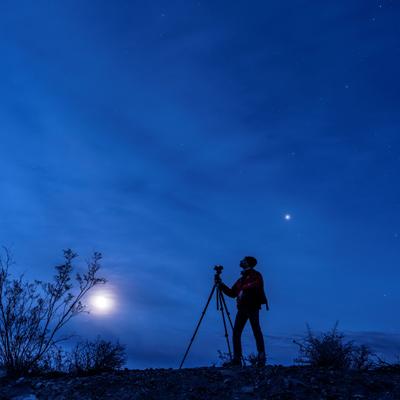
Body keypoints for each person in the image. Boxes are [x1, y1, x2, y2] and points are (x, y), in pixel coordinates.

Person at [216, 256, 269, 367]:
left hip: (252, 306)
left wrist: (243, 288)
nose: (241, 261)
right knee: (236, 332)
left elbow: (256, 285)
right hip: (242, 308)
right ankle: (237, 359)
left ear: (248, 263)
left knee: (256, 330)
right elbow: (232, 293)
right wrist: (221, 285)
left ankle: (261, 357)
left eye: (244, 260)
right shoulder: (241, 279)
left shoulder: (256, 275)